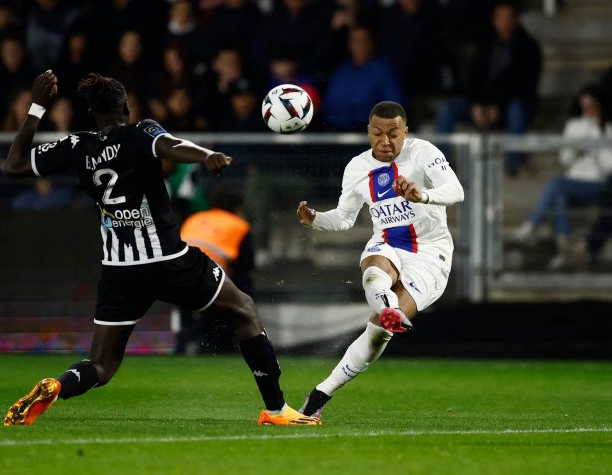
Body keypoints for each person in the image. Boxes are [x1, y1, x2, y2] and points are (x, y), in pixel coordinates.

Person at [1, 71, 318, 427]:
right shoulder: (140, 132)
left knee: (102, 366)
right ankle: (277, 410)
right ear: (126, 106)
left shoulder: (77, 146)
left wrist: (37, 106)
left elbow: (12, 165)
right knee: (243, 308)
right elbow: (170, 145)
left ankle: (57, 385)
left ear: (91, 112)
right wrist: (206, 155)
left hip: (118, 270)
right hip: (169, 260)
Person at [296, 101, 464, 419]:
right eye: (377, 134)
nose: (385, 142)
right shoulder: (358, 168)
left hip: (430, 255)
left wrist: (422, 195)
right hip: (386, 243)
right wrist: (315, 219)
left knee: (377, 335)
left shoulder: (424, 153)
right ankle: (389, 310)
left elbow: (456, 191)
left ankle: (320, 394)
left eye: (393, 134)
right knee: (375, 269)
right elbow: (344, 219)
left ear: (406, 133)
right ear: (368, 132)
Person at [511, 85, 612, 270]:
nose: (587, 111)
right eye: (584, 107)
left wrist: (594, 147)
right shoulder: (574, 126)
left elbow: (608, 168)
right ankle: (565, 249)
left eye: (591, 106)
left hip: (596, 183)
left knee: (555, 183)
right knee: (559, 196)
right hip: (573, 181)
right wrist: (575, 147)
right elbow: (565, 160)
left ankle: (532, 225)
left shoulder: (608, 128)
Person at [435, 1, 542, 175]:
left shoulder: (529, 48)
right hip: (482, 105)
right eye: (501, 19)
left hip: (511, 106)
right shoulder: (485, 44)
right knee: (447, 109)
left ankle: (514, 164)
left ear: (515, 21)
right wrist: (476, 104)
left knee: (517, 110)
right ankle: (440, 166)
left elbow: (525, 85)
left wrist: (498, 107)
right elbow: (474, 78)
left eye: (509, 19)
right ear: (494, 20)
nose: (505, 24)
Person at [178, 185, 256, 353]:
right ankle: (234, 340)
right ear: (237, 207)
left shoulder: (194, 219)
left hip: (179, 277)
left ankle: (186, 340)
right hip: (211, 278)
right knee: (244, 283)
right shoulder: (238, 225)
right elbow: (247, 263)